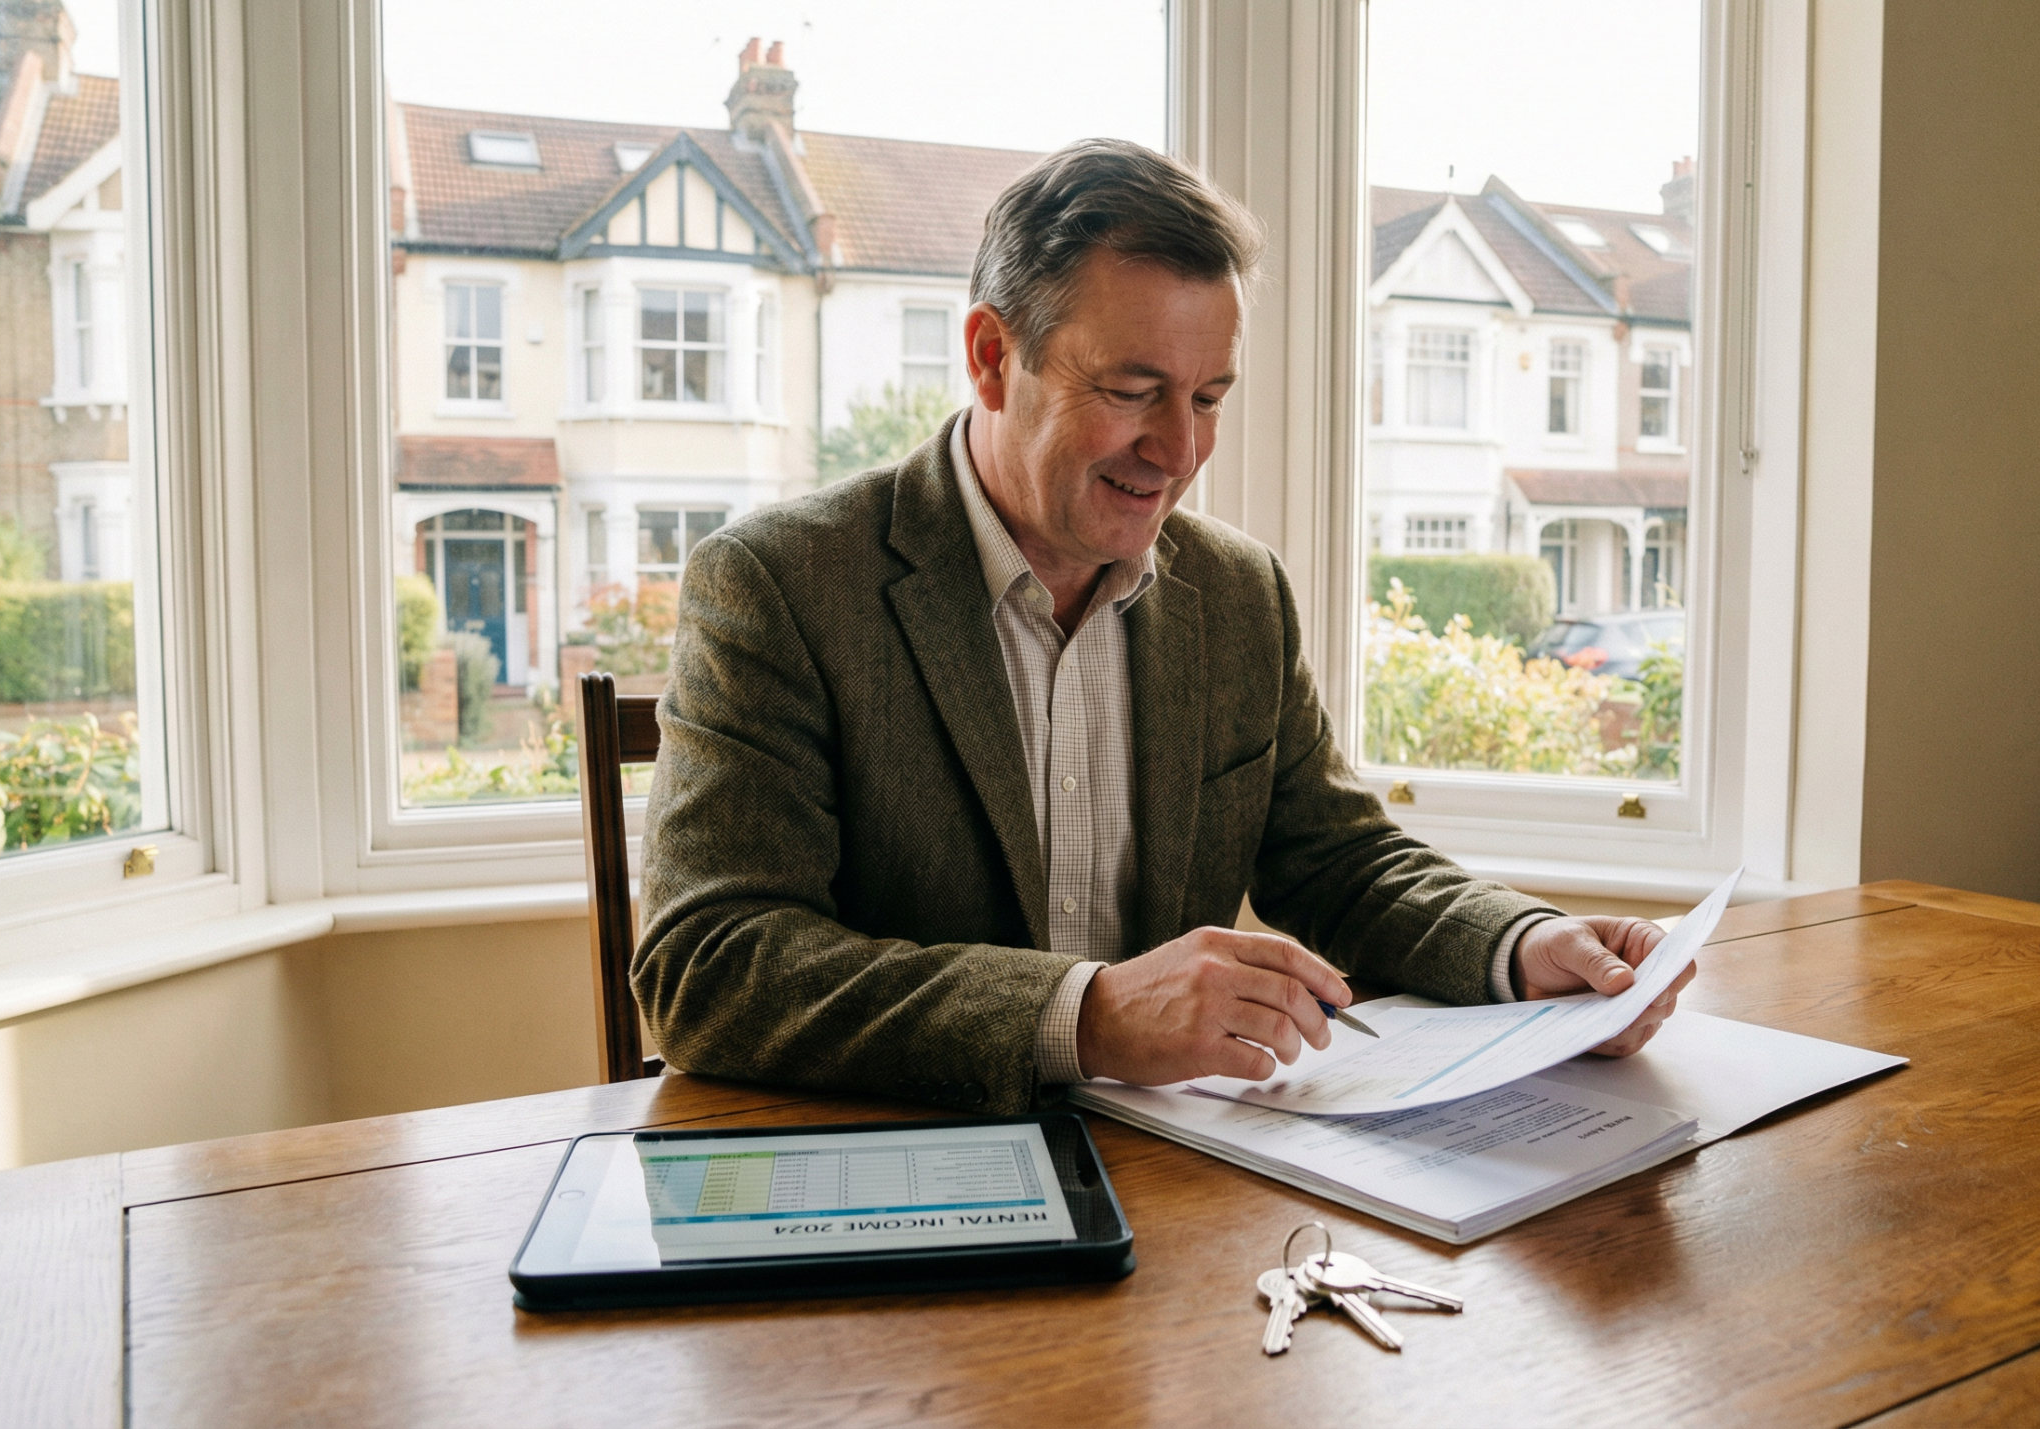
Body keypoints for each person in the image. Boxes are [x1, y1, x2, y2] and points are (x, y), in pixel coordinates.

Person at [635, 138, 1694, 1115]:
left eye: (1209, 397)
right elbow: (709, 964)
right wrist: (1087, 1014)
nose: (1178, 451)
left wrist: (1522, 941)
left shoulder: (1237, 595)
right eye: (1134, 391)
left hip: (1178, 1176)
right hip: (894, 1183)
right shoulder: (780, 583)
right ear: (993, 357)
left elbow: (1336, 861)